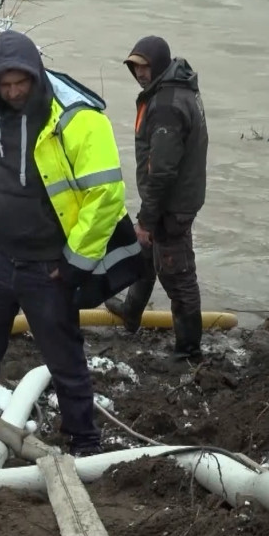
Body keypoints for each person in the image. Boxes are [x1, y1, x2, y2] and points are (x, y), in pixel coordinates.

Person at [0, 30, 145, 456]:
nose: (14, 93)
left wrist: (75, 263)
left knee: (65, 359)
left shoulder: (76, 118)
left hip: (49, 265)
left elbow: (105, 196)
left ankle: (84, 440)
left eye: (22, 83)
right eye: (6, 85)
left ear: (37, 75)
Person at [105, 36, 208, 361]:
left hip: (170, 205)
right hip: (178, 198)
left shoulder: (165, 107)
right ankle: (132, 314)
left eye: (145, 66)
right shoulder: (177, 89)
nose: (140, 73)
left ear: (160, 65)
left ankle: (188, 352)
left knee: (178, 277)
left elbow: (162, 171)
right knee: (146, 255)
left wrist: (147, 219)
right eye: (135, 67)